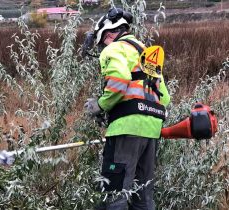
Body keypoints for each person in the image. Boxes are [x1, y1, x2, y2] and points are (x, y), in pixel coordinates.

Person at [83, 7, 171, 210]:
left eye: (101, 43)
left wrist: (101, 105)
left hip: (126, 130)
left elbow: (119, 79)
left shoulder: (113, 49)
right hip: (151, 130)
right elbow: (164, 97)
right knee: (144, 196)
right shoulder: (146, 53)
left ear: (109, 34)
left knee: (115, 194)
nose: (101, 49)